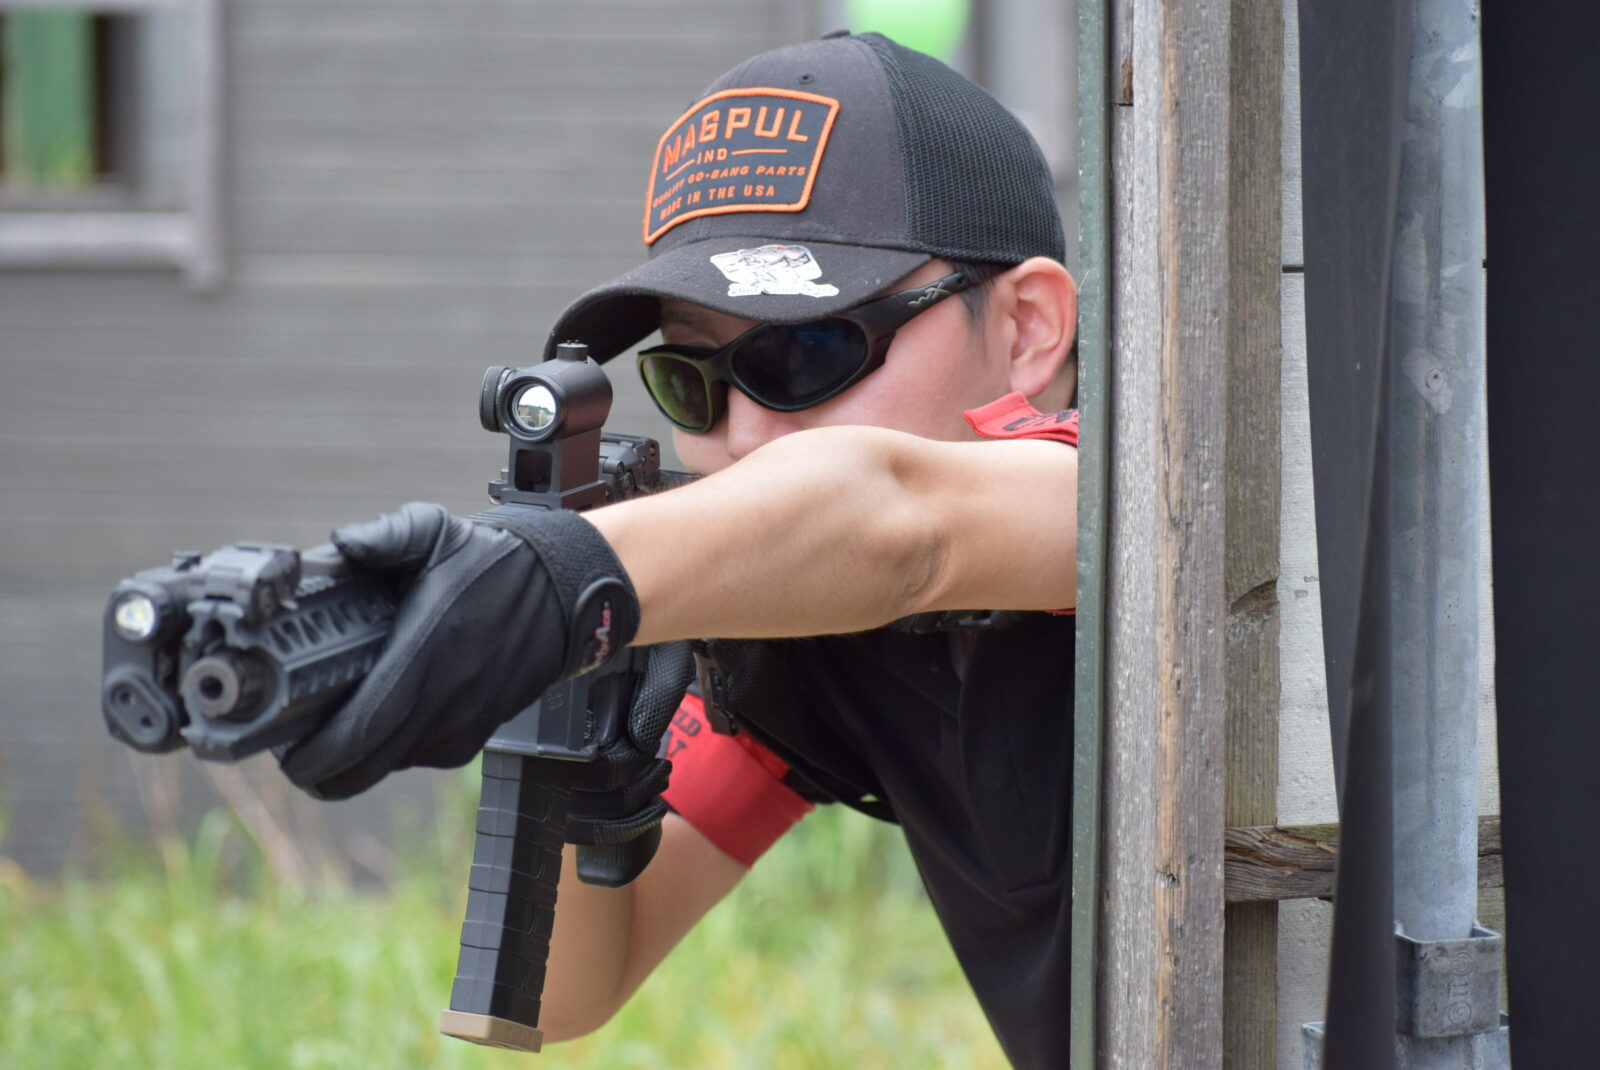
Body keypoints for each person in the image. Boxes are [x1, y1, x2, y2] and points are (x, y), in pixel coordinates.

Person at [280, 31, 1080, 1067]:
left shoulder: (1128, 496)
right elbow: (561, 994)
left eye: (810, 350)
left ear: (1028, 328)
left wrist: (555, 577)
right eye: (694, 380)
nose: (741, 435)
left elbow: (893, 516)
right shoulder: (820, 624)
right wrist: (576, 733)